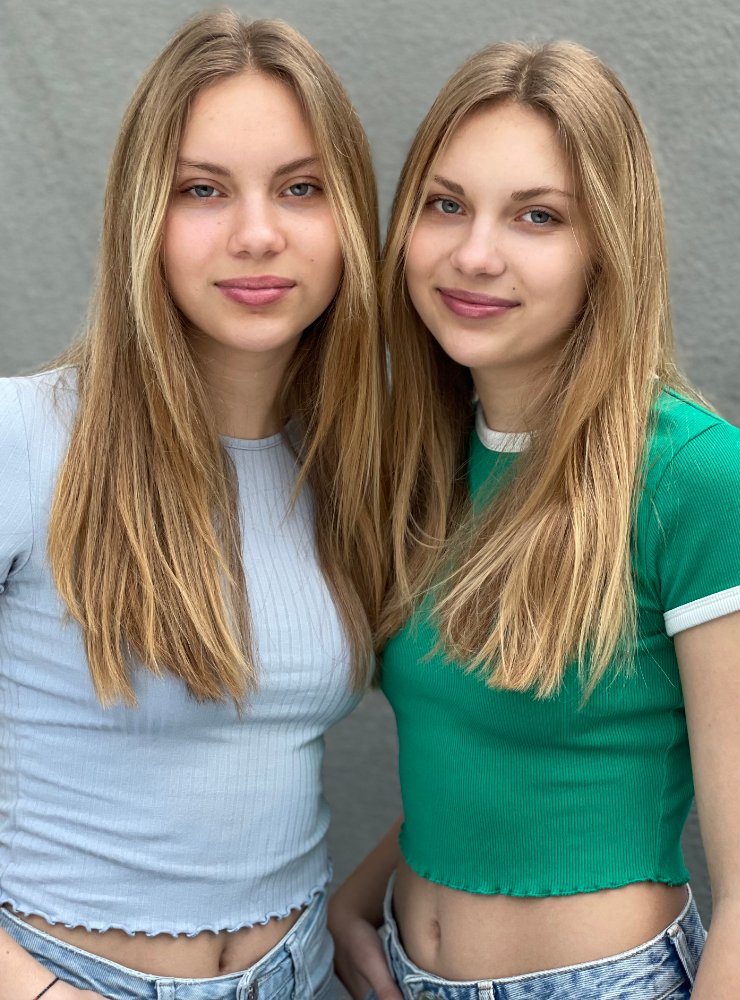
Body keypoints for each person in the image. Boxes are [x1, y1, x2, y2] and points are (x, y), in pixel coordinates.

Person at [330, 40, 740, 1000]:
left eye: (538, 216)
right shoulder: (428, 464)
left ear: (608, 245)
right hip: (406, 970)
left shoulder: (698, 478)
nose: (475, 254)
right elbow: (492, 765)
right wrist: (357, 902)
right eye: (446, 205)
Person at [0, 9, 385, 1000]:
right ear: (143, 215)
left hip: (293, 970)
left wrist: (362, 902)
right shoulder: (26, 436)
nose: (257, 234)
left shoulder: (347, 467)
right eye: (202, 190)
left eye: (300, 187)